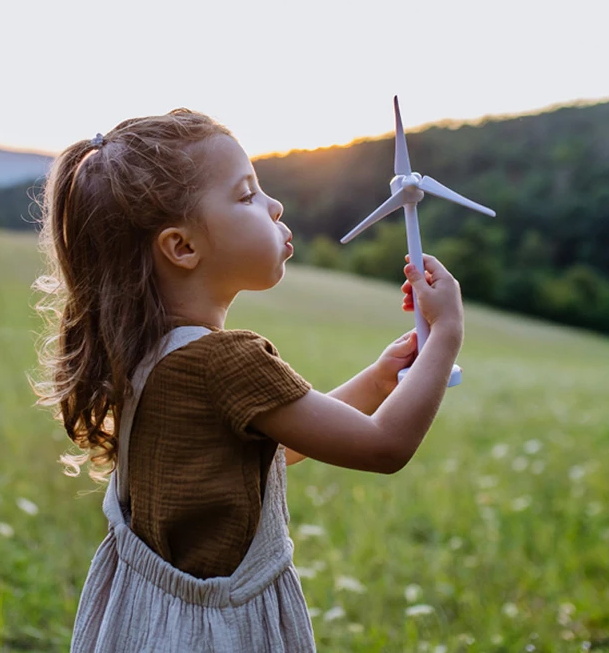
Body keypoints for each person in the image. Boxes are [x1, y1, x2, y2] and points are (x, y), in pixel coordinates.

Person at [31, 108, 464, 652]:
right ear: (182, 247)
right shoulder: (227, 362)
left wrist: (379, 380)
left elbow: (270, 453)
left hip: (147, 624)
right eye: (246, 195)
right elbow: (384, 446)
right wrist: (445, 333)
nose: (274, 204)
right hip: (215, 635)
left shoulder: (150, 356)